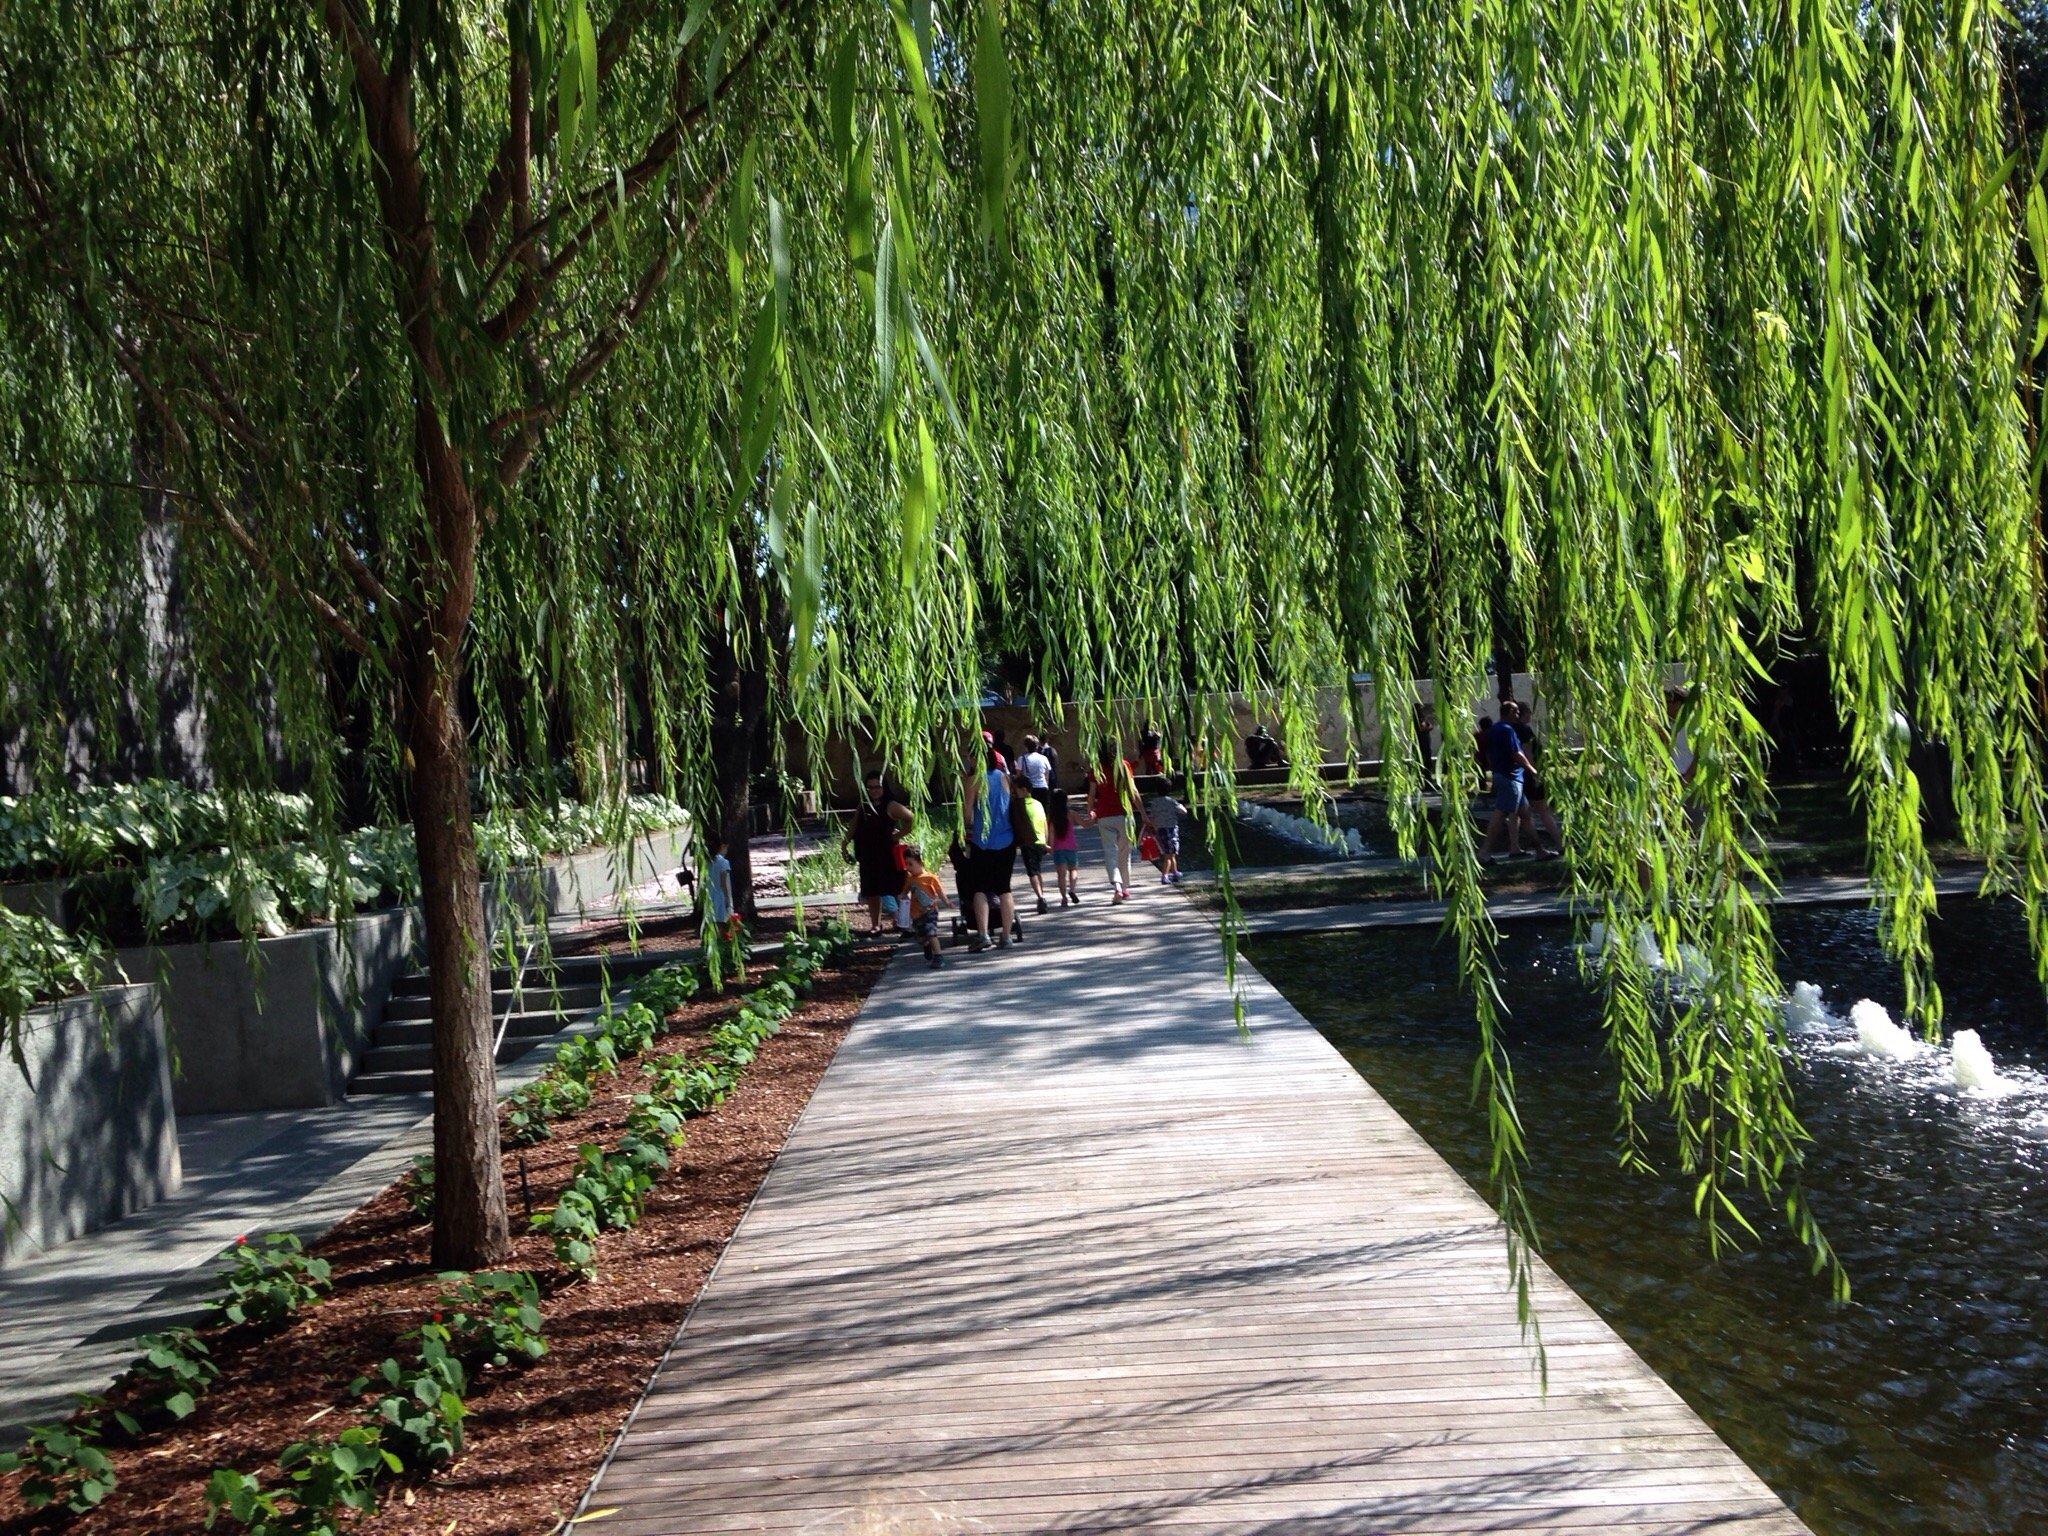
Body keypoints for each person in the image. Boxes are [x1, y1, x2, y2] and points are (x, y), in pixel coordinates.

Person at [963, 743, 1021, 950]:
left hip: (983, 841)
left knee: (979, 888)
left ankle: (984, 934)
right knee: (1004, 888)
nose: (968, 759)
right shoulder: (1004, 777)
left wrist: (964, 830)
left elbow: (967, 814)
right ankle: (1006, 936)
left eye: (969, 756)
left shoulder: (973, 780)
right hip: (1006, 840)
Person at [845, 771, 912, 933]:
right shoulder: (864, 805)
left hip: (888, 854)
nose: (874, 790)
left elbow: (910, 817)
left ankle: (905, 923)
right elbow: (854, 825)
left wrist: (898, 835)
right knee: (872, 890)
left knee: (897, 888)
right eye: (870, 787)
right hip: (867, 854)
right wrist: (844, 844)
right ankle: (876, 924)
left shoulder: (891, 805)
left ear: (884, 787)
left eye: (877, 787)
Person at [1506, 701, 1562, 857]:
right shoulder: (1524, 730)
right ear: (1524, 714)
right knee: (1543, 810)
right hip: (1528, 775)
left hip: (1514, 776)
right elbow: (1527, 752)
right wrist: (1534, 772)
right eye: (1529, 712)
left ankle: (1514, 847)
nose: (1531, 715)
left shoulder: (1509, 730)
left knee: (1515, 813)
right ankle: (1559, 844)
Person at [1085, 743, 1140, 902]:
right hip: (1124, 814)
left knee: (1110, 852)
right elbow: (1133, 791)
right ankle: (1124, 888)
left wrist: (1090, 810)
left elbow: (1092, 793)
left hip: (1105, 816)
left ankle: (1117, 887)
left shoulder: (1097, 768)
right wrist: (1143, 813)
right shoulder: (1124, 765)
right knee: (1125, 852)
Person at [1480, 711, 1536, 862]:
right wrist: (1531, 768)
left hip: (1507, 776)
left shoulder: (1495, 729)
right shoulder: (1507, 730)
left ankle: (1531, 850)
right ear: (1508, 713)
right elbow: (1516, 753)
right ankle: (1484, 852)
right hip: (1510, 777)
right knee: (1500, 813)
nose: (1518, 714)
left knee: (1525, 815)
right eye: (1515, 711)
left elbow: (1488, 753)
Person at [1011, 767, 1051, 914]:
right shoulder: (1038, 804)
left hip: (1028, 842)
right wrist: (1046, 841)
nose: (1015, 793)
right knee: (1037, 870)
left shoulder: (1019, 805)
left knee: (1032, 872)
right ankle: (1042, 895)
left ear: (1025, 789)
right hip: (1041, 841)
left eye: (1017, 790)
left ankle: (1040, 898)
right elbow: (1044, 823)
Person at [903, 845, 949, 970]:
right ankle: (926, 944)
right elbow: (905, 891)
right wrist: (902, 897)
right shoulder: (910, 878)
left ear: (920, 862)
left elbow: (939, 892)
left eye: (910, 864)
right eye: (906, 864)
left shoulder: (930, 878)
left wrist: (946, 902)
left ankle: (938, 956)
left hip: (930, 911)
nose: (908, 867)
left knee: (931, 932)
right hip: (916, 913)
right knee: (921, 937)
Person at [1142, 776, 1187, 884]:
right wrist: (1179, 806)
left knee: (1171, 854)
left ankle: (1175, 872)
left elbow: (1151, 817)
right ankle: (1165, 876)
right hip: (1171, 830)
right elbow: (1184, 811)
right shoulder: (1171, 802)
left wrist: (1151, 827)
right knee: (1169, 855)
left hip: (1160, 830)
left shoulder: (1154, 803)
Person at [1046, 785, 1081, 906]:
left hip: (1058, 849)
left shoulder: (1052, 817)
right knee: (1073, 870)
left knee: (1061, 875)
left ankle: (1064, 898)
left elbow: (1051, 833)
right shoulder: (1071, 814)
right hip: (1071, 847)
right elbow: (1085, 824)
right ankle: (1072, 889)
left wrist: (1049, 847)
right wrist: (1094, 817)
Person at [704, 833, 739, 939]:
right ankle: (723, 943)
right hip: (720, 895)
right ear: (722, 847)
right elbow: (724, 883)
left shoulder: (707, 862)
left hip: (710, 895)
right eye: (726, 848)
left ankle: (716, 943)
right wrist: (728, 899)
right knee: (722, 922)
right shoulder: (723, 862)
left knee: (713, 923)